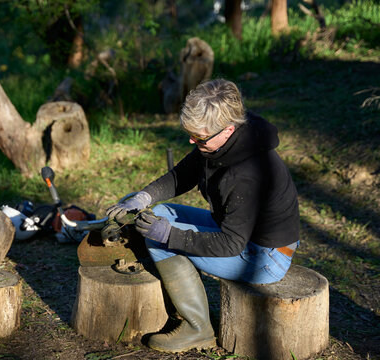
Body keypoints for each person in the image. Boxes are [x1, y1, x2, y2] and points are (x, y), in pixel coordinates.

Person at [106, 79, 300, 353]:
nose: (192, 141)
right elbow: (184, 173)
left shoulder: (245, 173)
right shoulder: (224, 140)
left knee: (163, 238)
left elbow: (231, 244)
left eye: (199, 137)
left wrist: (170, 236)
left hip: (264, 257)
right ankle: (171, 288)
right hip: (238, 232)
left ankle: (197, 329)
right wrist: (144, 197)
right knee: (159, 213)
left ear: (227, 129)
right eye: (191, 134)